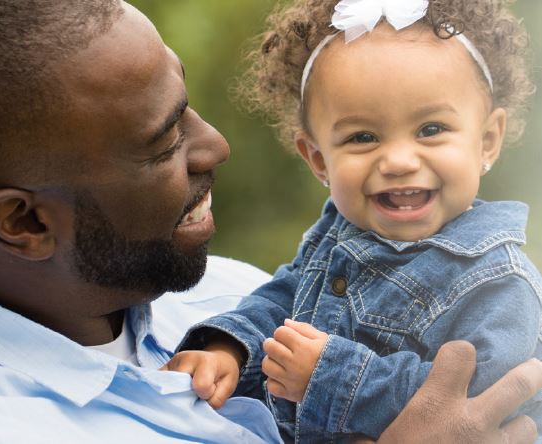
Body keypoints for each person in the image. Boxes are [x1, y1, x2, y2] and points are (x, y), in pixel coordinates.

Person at [0, 0, 540, 443]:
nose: (216, 147)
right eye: (162, 141)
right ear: (23, 223)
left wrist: (227, 343)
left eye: (187, 107)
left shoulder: (217, 293)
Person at [165, 0, 542, 441]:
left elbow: (484, 404)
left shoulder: (498, 282)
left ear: (487, 141)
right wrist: (229, 349)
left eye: (431, 129)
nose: (399, 160)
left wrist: (331, 377)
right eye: (363, 137)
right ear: (319, 159)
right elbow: (285, 300)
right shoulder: (340, 232)